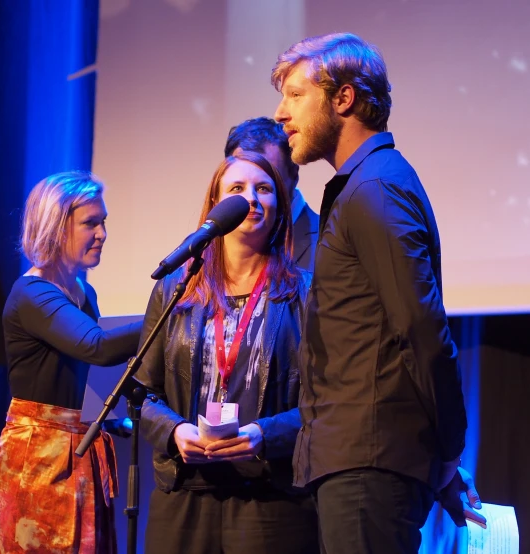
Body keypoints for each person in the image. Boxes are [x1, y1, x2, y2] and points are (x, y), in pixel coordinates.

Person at [271, 32, 484, 553]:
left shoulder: (374, 189)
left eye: (296, 95)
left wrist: (448, 452)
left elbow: (421, 328)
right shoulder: (364, 185)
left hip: (367, 465)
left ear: (343, 98)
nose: (281, 113)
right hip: (355, 462)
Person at [135, 151, 320, 554]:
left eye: (264, 189)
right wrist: (174, 431)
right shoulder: (175, 290)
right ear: (216, 206)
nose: (251, 198)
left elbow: (325, 403)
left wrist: (263, 435)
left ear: (280, 206)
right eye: (237, 189)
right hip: (184, 493)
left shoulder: (307, 294)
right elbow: (140, 393)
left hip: (271, 497)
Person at [0, 171, 142, 554]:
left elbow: (93, 375)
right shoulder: (32, 293)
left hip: (78, 453)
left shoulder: (84, 293)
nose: (102, 233)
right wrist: (170, 311)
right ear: (55, 227)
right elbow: (96, 347)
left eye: (103, 222)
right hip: (38, 461)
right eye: (91, 223)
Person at [225, 117, 319, 272]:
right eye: (239, 184)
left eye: (266, 183)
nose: (251, 197)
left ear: (294, 175)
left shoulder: (328, 243)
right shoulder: (204, 254)